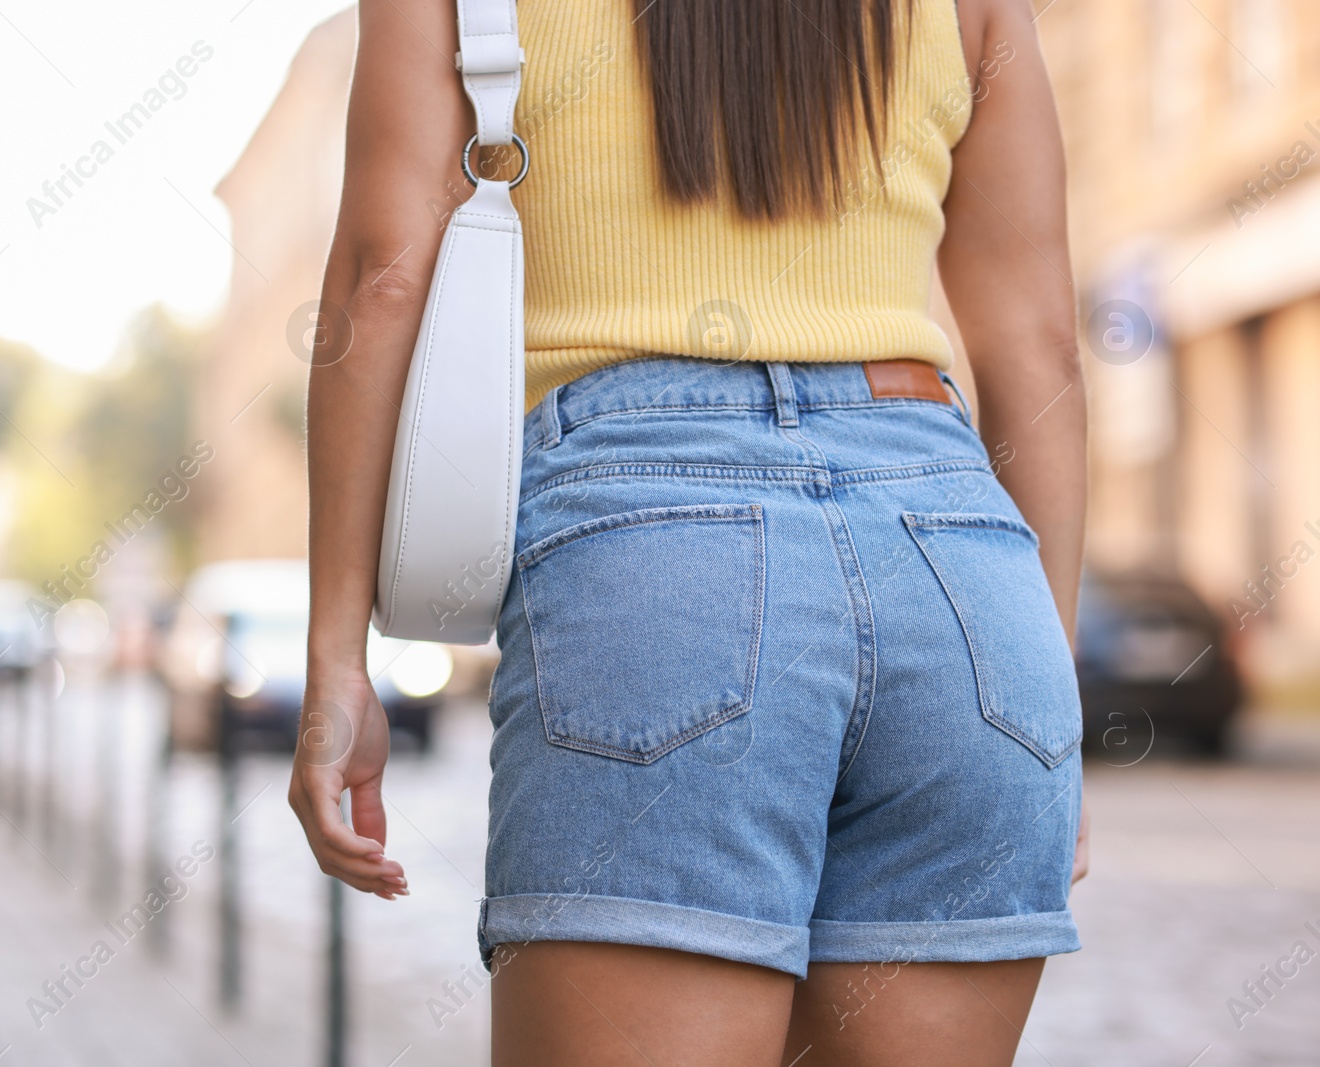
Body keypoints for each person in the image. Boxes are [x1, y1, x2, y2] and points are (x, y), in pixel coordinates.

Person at [290, 0, 1090, 1062]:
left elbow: (383, 272)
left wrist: (337, 653)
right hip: (961, 580)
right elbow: (1036, 340)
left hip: (653, 568)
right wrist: (1054, 705)